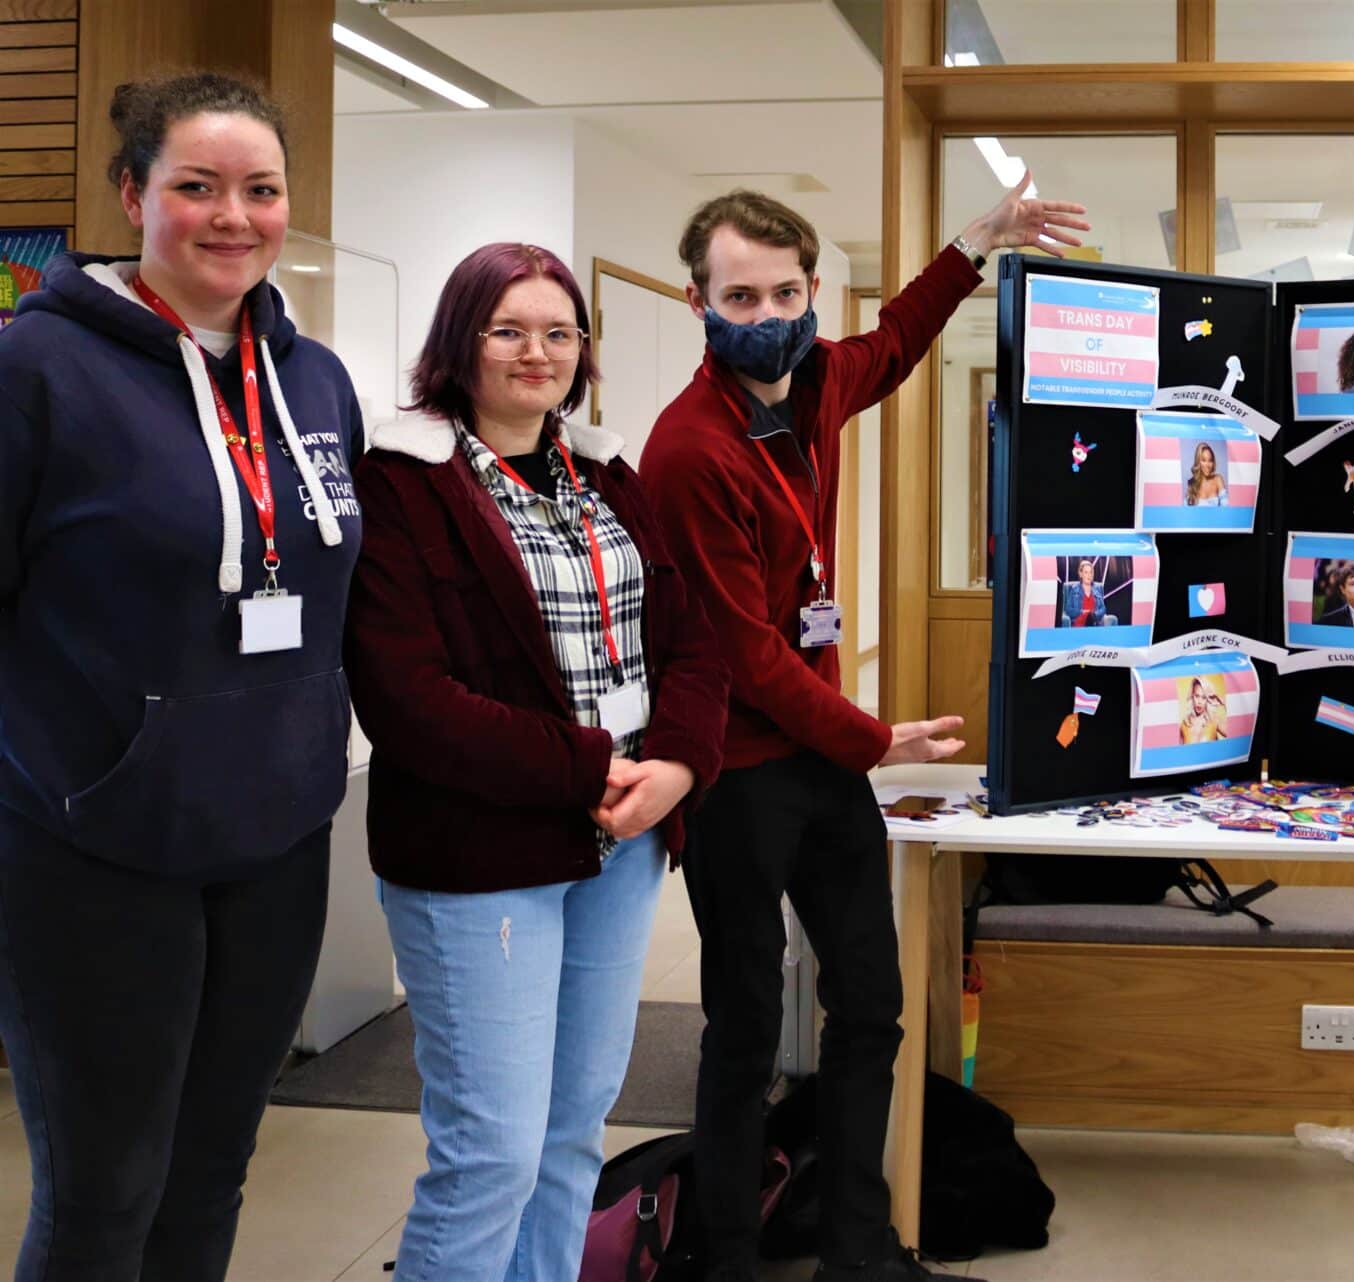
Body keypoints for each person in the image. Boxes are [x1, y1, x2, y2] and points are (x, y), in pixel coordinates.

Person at [639, 176, 1087, 1282]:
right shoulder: (689, 449)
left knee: (871, 1009)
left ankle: (857, 1251)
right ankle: (730, 1258)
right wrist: (871, 738)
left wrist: (979, 239)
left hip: (819, 766)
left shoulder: (815, 381)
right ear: (696, 301)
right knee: (743, 1027)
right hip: (736, 772)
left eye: (786, 290)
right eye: (739, 297)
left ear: (810, 287)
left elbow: (893, 339)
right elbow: (745, 655)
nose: (767, 314)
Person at [0, 73, 362, 1278]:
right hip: (92, 849)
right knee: (106, 1195)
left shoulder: (314, 380)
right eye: (194, 186)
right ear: (130, 195)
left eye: (260, 190)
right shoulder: (37, 370)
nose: (231, 216)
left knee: (212, 1172)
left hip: (276, 840)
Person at [343, 242, 729, 1281]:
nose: (536, 352)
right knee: (491, 1155)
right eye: (506, 330)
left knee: (568, 1139)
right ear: (457, 344)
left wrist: (678, 768)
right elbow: (409, 700)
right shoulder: (401, 483)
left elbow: (690, 640)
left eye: (559, 331)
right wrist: (597, 763)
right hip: (481, 853)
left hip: (623, 838)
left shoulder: (606, 471)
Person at [1059, 558, 1118, 627]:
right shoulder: (1074, 589)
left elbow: (1103, 608)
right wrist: (1081, 612)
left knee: (1097, 619)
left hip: (1095, 621)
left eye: (1091, 572)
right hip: (1079, 621)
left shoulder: (1097, 588)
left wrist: (1095, 614)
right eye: (1086, 572)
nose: (1089, 575)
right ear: (1080, 574)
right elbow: (1068, 609)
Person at [1178, 679, 1226, 745]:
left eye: (1204, 697)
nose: (1199, 702)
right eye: (1197, 696)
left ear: (1208, 700)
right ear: (1192, 696)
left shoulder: (1214, 720)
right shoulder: (1184, 724)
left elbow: (1236, 733)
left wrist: (1223, 702)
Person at [1185, 441, 1226, 506]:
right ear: (1198, 461)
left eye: (1210, 460)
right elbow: (1186, 511)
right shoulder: (1192, 484)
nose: (1207, 465)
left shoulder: (1218, 479)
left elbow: (1226, 507)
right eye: (1204, 460)